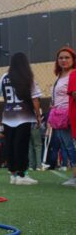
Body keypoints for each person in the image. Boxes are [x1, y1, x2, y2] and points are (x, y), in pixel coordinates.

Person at [0, 52, 42, 185]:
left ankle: (13, 174)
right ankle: (22, 174)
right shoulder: (28, 77)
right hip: (25, 115)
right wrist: (38, 115)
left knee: (10, 144)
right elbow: (35, 98)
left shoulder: (5, 76)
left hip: (8, 115)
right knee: (21, 145)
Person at [53, 46, 76, 186]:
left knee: (71, 145)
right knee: (67, 145)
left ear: (73, 59)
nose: (63, 60)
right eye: (61, 57)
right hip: (59, 115)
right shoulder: (59, 76)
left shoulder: (74, 74)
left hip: (70, 113)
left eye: (67, 57)